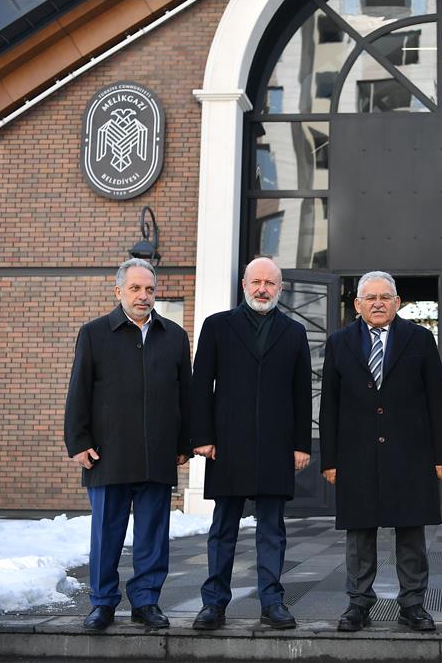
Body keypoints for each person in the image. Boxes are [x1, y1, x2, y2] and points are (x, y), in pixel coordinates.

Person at [319, 271, 442, 633]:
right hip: (355, 454)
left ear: (397, 303)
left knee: (410, 531)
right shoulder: (339, 341)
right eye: (370, 298)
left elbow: (437, 399)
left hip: (411, 453)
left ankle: (413, 604)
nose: (378, 303)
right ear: (358, 305)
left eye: (385, 297)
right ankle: (358, 604)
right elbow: (328, 404)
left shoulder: (420, 339)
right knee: (359, 533)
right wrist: (329, 459)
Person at [64, 258, 192, 632]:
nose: (143, 296)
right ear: (118, 291)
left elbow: (186, 393)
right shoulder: (94, 334)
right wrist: (78, 441)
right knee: (106, 534)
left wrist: (184, 442)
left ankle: (147, 601)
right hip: (108, 454)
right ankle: (102, 603)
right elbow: (78, 392)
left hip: (158, 454)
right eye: (135, 289)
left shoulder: (174, 336)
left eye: (149, 289)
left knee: (153, 534)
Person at [190, 257, 312, 631]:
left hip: (276, 446)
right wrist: (202, 437)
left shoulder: (294, 332)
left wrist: (301, 444)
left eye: (270, 283)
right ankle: (214, 604)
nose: (263, 289)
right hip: (227, 444)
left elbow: (302, 393)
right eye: (256, 282)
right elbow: (200, 386)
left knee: (272, 529)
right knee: (223, 528)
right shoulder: (217, 326)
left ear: (280, 289)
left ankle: (272, 602)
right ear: (244, 284)